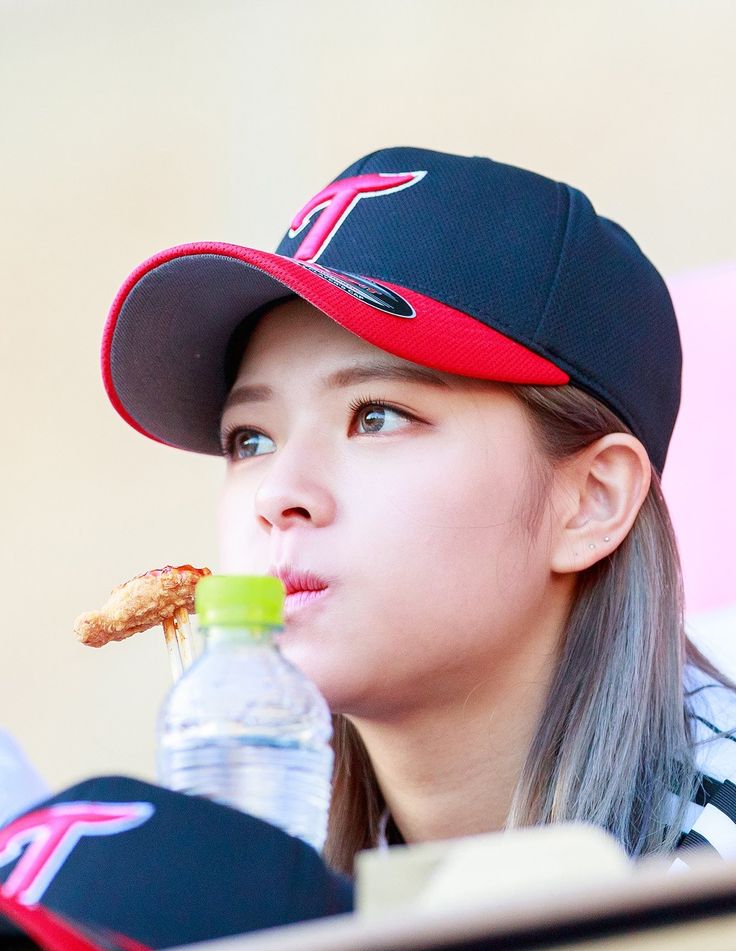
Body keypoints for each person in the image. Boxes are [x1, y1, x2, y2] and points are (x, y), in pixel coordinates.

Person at [101, 146, 736, 878]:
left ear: (592, 501)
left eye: (375, 416)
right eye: (251, 440)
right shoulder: (259, 872)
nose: (278, 494)